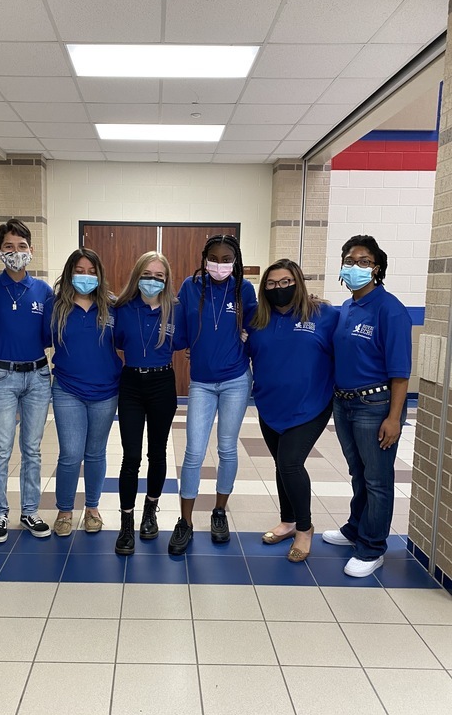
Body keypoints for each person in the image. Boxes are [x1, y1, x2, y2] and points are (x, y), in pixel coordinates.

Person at [323, 235, 412, 577]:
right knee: (358, 473)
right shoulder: (347, 307)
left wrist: (394, 418)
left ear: (376, 268)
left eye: (363, 261)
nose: (355, 266)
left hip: (374, 405)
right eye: (349, 261)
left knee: (377, 479)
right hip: (344, 403)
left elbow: (400, 373)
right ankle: (355, 528)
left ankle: (372, 548)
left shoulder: (390, 309)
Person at [245, 259, 338, 562]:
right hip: (270, 404)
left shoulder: (324, 315)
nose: (279, 288)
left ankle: (304, 528)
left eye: (285, 282)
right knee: (280, 464)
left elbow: (346, 350)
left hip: (311, 405)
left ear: (298, 282)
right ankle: (287, 521)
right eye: (272, 283)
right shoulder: (257, 318)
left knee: (290, 463)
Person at [169, 234, 256, 555]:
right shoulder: (190, 287)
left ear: (235, 262)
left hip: (236, 380)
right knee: (193, 451)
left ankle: (219, 512)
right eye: (214, 259)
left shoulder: (244, 289)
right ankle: (185, 521)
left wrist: (246, 337)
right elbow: (179, 330)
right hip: (202, 383)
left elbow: (258, 324)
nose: (220, 265)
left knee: (227, 448)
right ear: (205, 260)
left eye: (226, 260)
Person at [113, 251, 186, 555]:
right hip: (131, 383)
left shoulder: (176, 310)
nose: (152, 281)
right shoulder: (122, 308)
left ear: (166, 280)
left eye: (159, 276)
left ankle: (149, 511)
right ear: (137, 276)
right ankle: (126, 522)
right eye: (147, 275)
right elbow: (116, 340)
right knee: (131, 456)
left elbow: (185, 340)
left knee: (157, 452)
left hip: (162, 383)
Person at [0, 219, 54, 543]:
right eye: (9, 247)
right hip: (1, 376)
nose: (16, 252)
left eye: (22, 246)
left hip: (38, 376)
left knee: (32, 449)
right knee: (1, 449)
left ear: (31, 250)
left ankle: (30, 511)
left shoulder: (43, 291)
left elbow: (48, 335)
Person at [50, 249, 122, 537]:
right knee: (70, 454)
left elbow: (134, 335)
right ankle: (65, 511)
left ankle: (92, 508)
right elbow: (33, 335)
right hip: (67, 389)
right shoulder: (56, 307)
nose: (86, 276)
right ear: (69, 273)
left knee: (95, 453)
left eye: (92, 272)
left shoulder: (112, 306)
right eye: (80, 271)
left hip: (106, 391)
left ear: (100, 275)